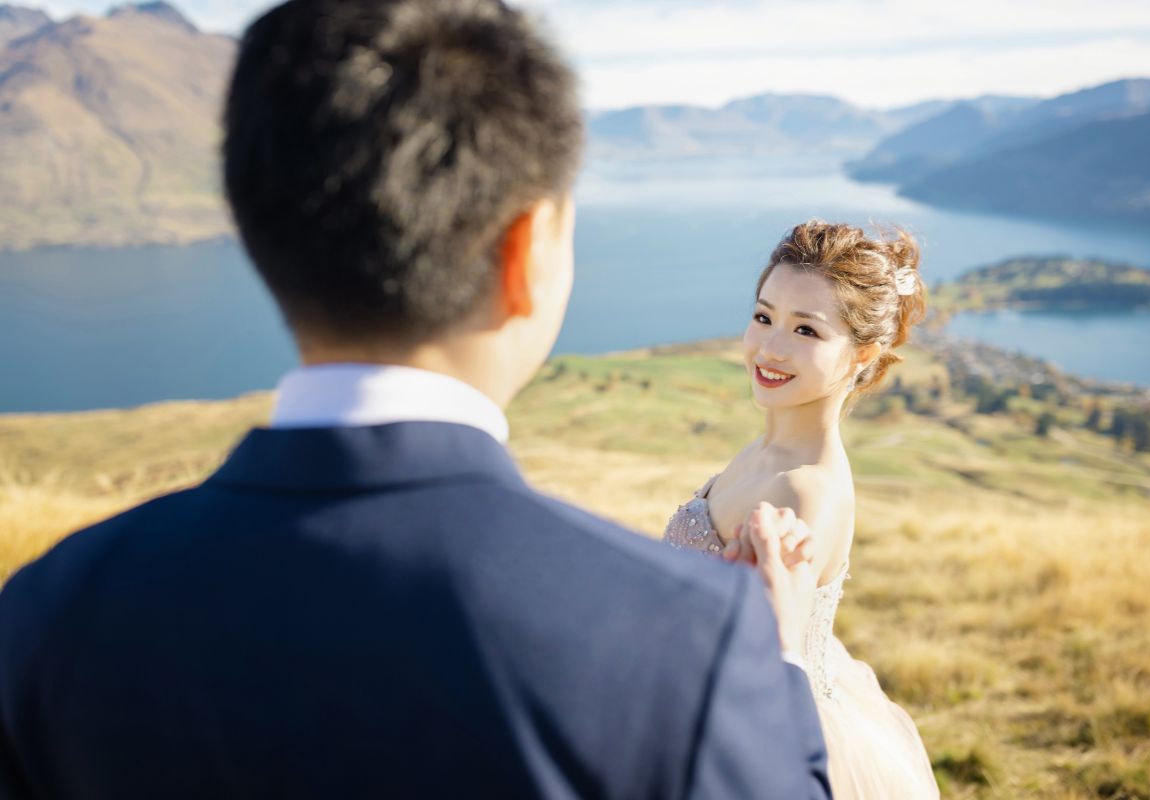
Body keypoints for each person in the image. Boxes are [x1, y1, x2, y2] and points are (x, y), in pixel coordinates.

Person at [0, 1, 831, 797]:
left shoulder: (51, 610)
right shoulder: (679, 638)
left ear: (265, 240)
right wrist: (783, 656)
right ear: (526, 250)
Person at [664, 221, 941, 798]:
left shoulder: (803, 491)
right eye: (764, 317)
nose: (769, 347)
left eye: (806, 330)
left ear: (863, 353)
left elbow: (756, 667)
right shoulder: (764, 452)